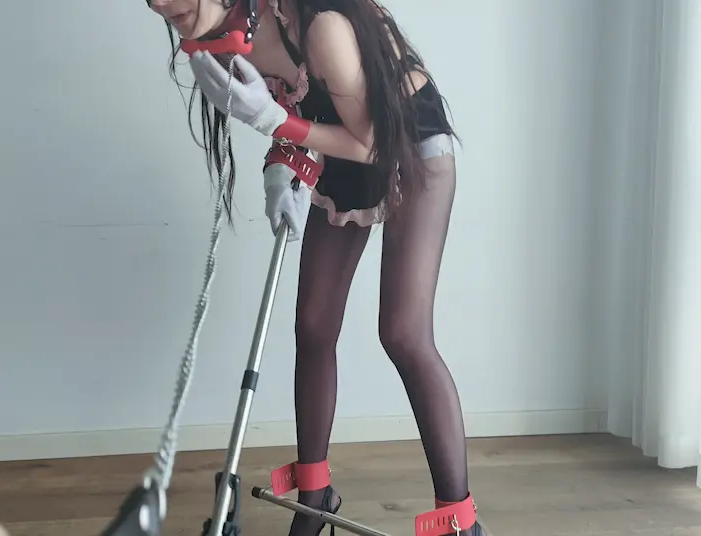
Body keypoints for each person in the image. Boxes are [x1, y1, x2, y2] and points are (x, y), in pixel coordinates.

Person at [147, 1, 484, 535]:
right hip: (345, 150)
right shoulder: (223, 44)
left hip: (407, 143)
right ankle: (314, 496)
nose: (162, 4)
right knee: (314, 324)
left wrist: (274, 121)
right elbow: (299, 110)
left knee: (403, 333)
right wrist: (280, 165)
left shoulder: (320, 25)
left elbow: (371, 142)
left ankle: (458, 523)